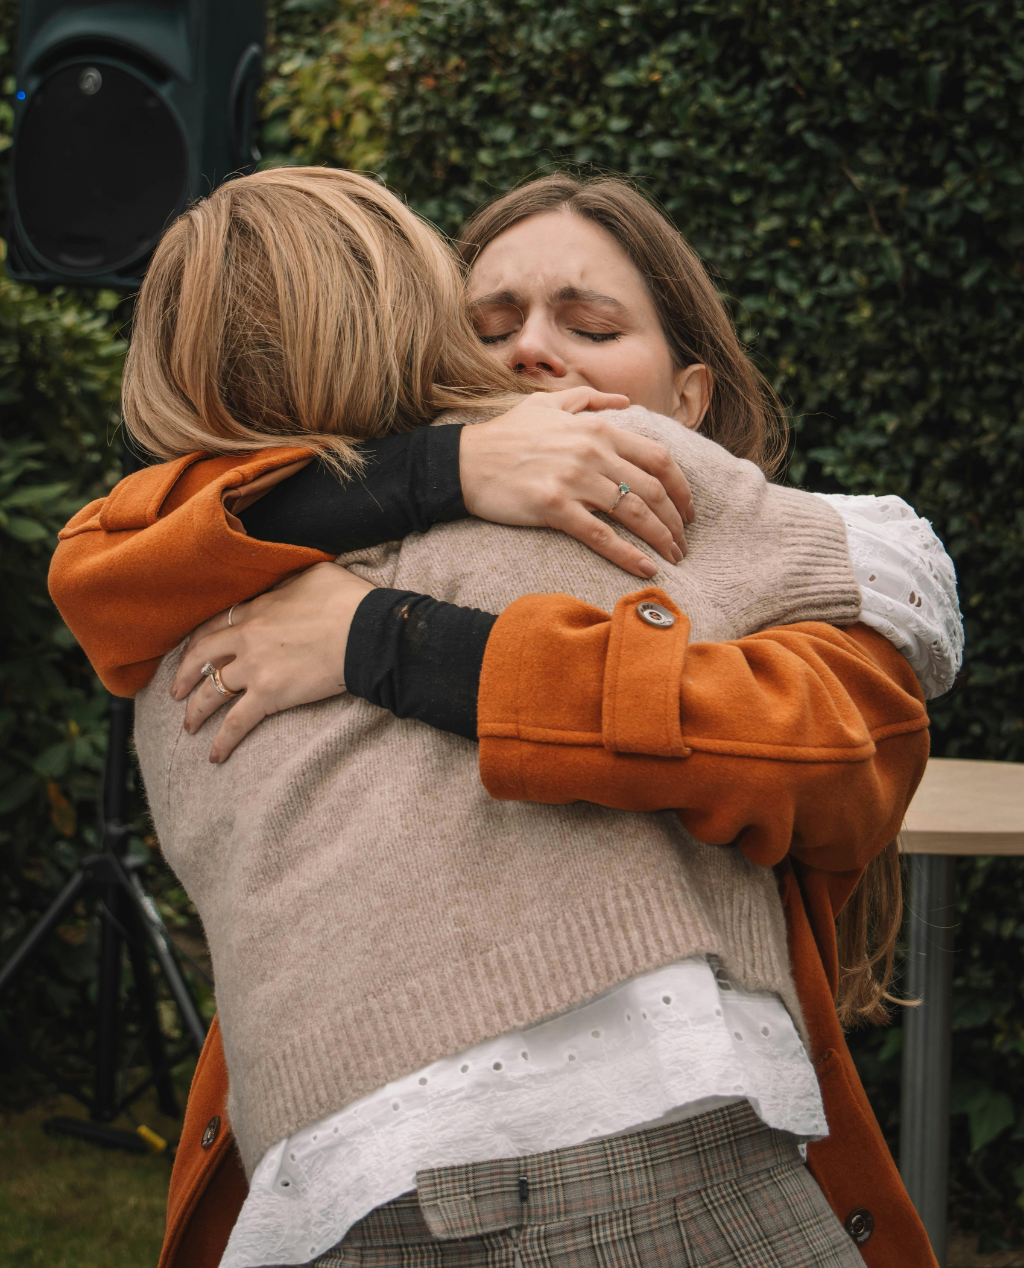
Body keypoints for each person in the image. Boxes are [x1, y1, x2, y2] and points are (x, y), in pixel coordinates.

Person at [48, 169, 955, 1268]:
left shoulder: (202, 592)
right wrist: (442, 467)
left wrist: (387, 640)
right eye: (488, 327)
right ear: (421, 350)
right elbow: (908, 567)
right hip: (594, 1162)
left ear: (688, 400)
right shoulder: (283, 540)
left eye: (590, 324)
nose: (530, 354)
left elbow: (831, 739)